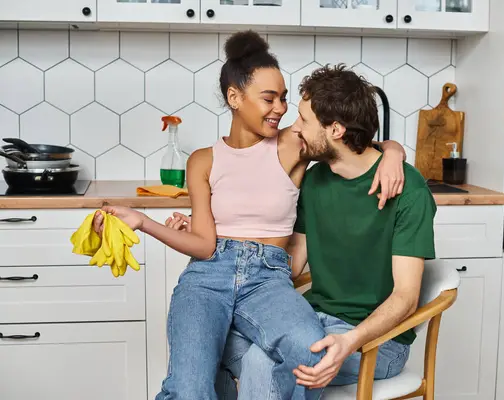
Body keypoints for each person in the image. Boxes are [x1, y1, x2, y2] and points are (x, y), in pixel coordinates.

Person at [92, 31, 408, 400]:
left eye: (284, 99)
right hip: (207, 278)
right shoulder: (202, 161)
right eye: (269, 98)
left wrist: (393, 151)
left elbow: (347, 139)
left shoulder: (293, 143)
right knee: (190, 390)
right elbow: (204, 245)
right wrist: (141, 222)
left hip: (268, 278)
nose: (280, 109)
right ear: (234, 97)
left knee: (310, 352)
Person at [197, 63, 437, 399]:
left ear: (336, 130)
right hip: (311, 318)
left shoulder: (407, 190)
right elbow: (291, 265)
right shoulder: (314, 180)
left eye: (304, 121)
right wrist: (219, 245)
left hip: (376, 341)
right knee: (210, 339)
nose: (294, 129)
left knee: (262, 361)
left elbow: (406, 297)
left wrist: (348, 341)